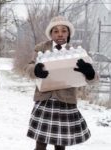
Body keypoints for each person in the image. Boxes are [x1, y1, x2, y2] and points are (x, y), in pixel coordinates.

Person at [24, 16, 98, 150]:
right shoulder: (41, 48)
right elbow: (28, 68)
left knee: (60, 145)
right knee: (40, 144)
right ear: (51, 34)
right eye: (56, 31)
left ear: (69, 33)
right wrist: (35, 70)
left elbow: (94, 79)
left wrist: (90, 73)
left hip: (65, 102)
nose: (60, 34)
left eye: (64, 31)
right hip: (44, 100)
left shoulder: (76, 52)